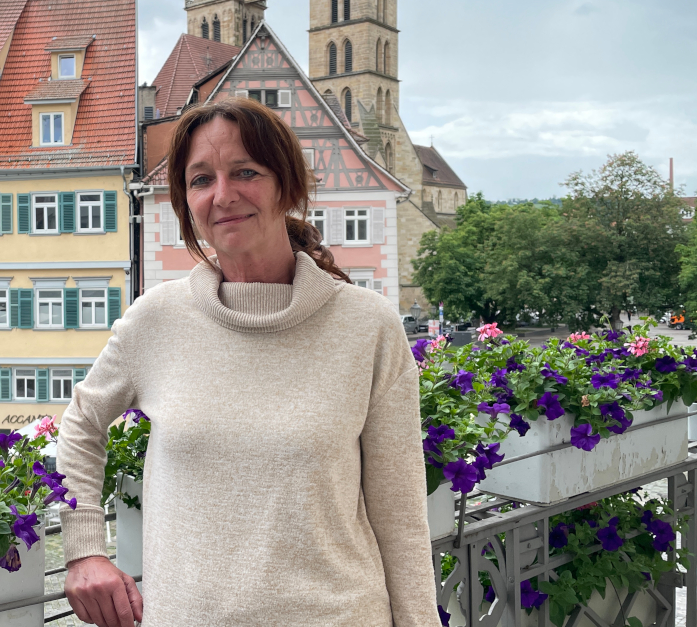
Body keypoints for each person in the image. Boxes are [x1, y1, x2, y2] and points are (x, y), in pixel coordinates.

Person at [57, 97, 440, 626]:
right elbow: (81, 424)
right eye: (200, 180)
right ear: (184, 200)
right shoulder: (157, 320)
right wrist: (83, 549)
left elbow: (400, 518)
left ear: (286, 185)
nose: (223, 195)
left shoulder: (367, 327)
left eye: (245, 172)